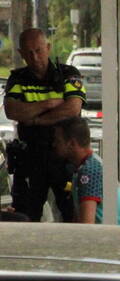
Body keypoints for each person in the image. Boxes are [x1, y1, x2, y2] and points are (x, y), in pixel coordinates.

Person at [4, 28, 86, 222]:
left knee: (71, 213)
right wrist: (48, 104)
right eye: (29, 52)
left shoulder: (68, 73)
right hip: (31, 157)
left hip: (64, 157)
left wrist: (36, 119)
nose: (34, 57)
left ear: (48, 48)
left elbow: (72, 108)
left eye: (39, 50)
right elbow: (12, 111)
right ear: (21, 53)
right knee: (26, 215)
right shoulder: (17, 78)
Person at [52, 117, 120, 225]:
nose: (54, 145)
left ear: (71, 144)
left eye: (58, 141)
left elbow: (87, 225)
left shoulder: (90, 171)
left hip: (113, 239)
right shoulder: (85, 167)